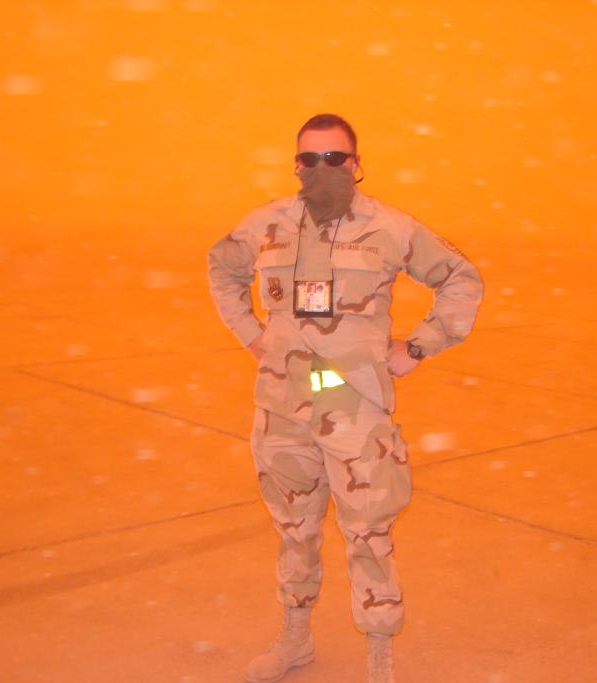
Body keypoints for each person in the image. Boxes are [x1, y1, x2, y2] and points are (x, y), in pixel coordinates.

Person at [207, 113, 483, 683]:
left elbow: (461, 278)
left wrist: (421, 347)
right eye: (310, 158)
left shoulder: (390, 226)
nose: (322, 168)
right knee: (294, 530)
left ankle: (379, 662)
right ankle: (295, 642)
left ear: (356, 164)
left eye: (335, 158)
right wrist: (252, 336)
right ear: (296, 165)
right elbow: (221, 269)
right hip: (283, 409)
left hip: (355, 411)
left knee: (369, 535)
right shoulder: (267, 223)